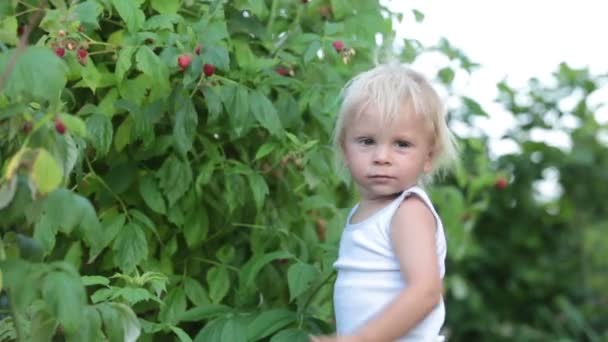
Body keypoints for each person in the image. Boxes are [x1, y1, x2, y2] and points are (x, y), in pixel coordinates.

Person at [311, 62, 458, 342]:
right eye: (367, 141)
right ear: (345, 149)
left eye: (401, 144)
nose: (382, 156)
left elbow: (425, 292)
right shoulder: (366, 213)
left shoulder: (408, 211)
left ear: (428, 157)